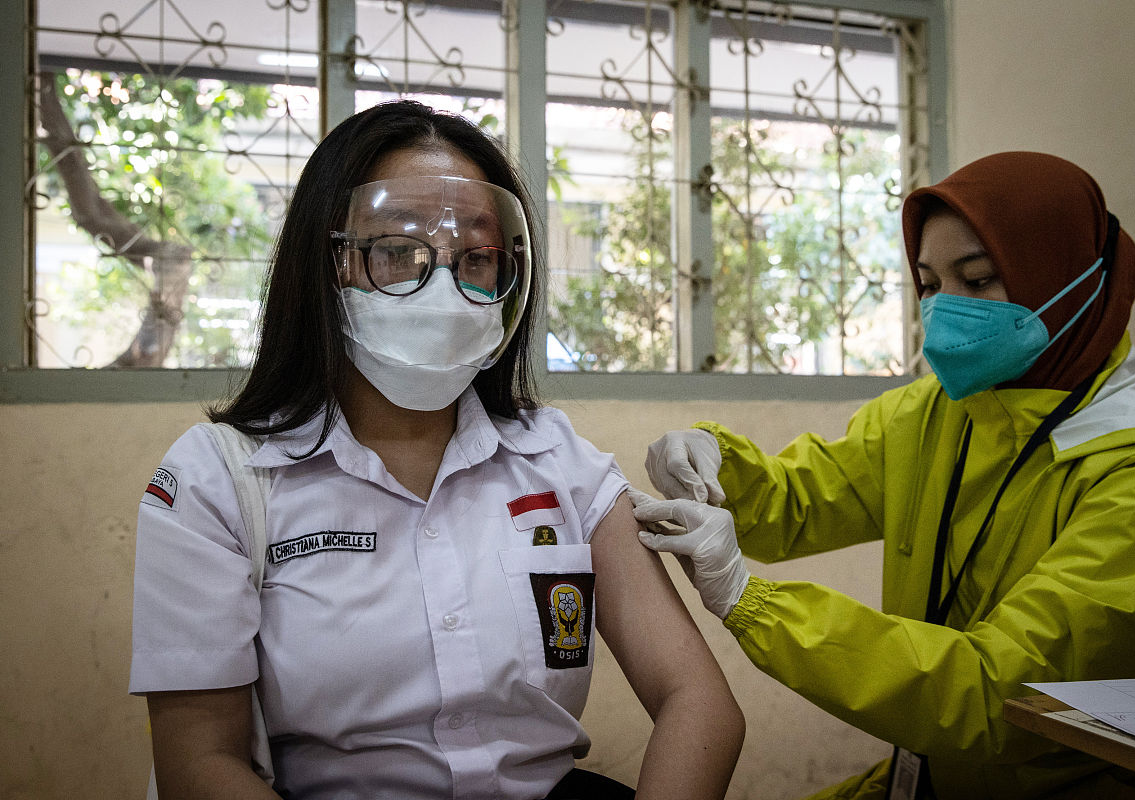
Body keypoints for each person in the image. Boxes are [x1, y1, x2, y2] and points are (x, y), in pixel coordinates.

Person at [130, 99, 743, 800]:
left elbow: (699, 703)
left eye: (476, 256)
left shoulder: (562, 464)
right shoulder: (217, 480)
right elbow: (198, 765)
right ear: (325, 266)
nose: (445, 287)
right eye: (397, 252)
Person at [632, 151, 1135, 800]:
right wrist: (713, 462)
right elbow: (800, 499)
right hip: (934, 771)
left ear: (1067, 280)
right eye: (929, 284)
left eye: (979, 280)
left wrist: (747, 597)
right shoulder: (938, 411)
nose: (946, 312)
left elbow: (997, 694)